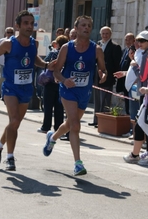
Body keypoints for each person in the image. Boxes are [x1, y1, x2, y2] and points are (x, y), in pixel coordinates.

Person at [0, 10, 53, 171]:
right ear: (18, 25)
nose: (30, 26)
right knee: (14, 120)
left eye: (32, 23)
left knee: (14, 123)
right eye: (26, 23)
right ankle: (10, 158)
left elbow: (34, 59)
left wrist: (45, 65)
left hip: (26, 88)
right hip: (10, 87)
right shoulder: (8, 43)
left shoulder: (33, 44)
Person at [42, 15, 107, 176]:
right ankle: (78, 163)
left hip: (84, 92)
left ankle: (52, 137)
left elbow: (103, 69)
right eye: (83, 25)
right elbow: (56, 71)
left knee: (70, 124)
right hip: (68, 90)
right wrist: (64, 80)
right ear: (76, 28)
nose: (87, 28)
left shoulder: (96, 49)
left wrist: (103, 74)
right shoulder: (67, 48)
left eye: (89, 26)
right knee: (76, 125)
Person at [89, 26, 122, 127]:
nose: (105, 35)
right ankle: (96, 120)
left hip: (108, 77)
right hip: (96, 76)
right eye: (103, 33)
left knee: (105, 100)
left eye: (107, 33)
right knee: (97, 99)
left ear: (110, 34)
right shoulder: (97, 45)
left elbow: (116, 63)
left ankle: (103, 121)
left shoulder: (115, 47)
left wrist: (113, 77)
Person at [37, 35, 68, 133]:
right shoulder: (68, 54)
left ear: (58, 44)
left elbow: (46, 62)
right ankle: (58, 127)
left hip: (50, 82)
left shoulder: (53, 53)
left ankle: (46, 126)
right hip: (62, 81)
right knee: (59, 107)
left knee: (48, 106)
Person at [116, 33, 135, 115]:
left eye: (129, 39)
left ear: (134, 40)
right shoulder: (124, 50)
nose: (127, 41)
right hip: (123, 79)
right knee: (126, 101)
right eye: (126, 40)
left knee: (130, 102)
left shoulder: (134, 52)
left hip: (130, 80)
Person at [0, 27, 14, 99]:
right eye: (8, 32)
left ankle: (5, 94)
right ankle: (0, 91)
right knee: (2, 79)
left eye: (11, 32)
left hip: (11, 64)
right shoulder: (2, 41)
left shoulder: (14, 41)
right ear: (5, 33)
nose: (9, 34)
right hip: (2, 63)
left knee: (9, 80)